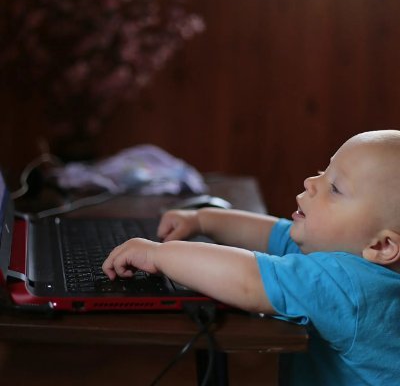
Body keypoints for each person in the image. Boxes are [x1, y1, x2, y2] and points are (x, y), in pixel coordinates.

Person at [102, 130, 400, 385]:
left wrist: (158, 254)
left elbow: (248, 280)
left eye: (335, 188)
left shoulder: (351, 286)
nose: (311, 181)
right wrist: (203, 220)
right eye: (324, 171)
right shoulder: (348, 253)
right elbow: (272, 233)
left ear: (383, 245)